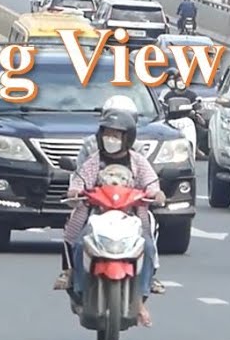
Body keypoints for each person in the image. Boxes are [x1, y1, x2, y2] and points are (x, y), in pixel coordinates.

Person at [62, 109, 164, 328]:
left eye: (117, 135)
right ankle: (78, 287)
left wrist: (156, 194)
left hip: (131, 218)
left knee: (147, 246)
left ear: (127, 138)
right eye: (108, 134)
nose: (112, 139)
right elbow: (78, 182)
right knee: (79, 244)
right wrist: (75, 192)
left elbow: (151, 184)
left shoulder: (138, 162)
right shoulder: (93, 161)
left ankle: (143, 293)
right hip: (97, 217)